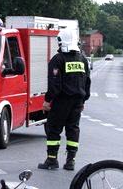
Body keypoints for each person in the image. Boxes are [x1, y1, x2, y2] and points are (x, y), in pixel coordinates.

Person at [38, 29, 91, 171]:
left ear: (61, 42)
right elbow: (87, 82)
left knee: (54, 129)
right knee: (73, 129)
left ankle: (52, 160)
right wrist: (83, 100)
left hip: (61, 101)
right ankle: (70, 161)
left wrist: (47, 101)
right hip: (77, 102)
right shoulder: (82, 59)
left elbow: (55, 85)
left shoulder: (58, 59)